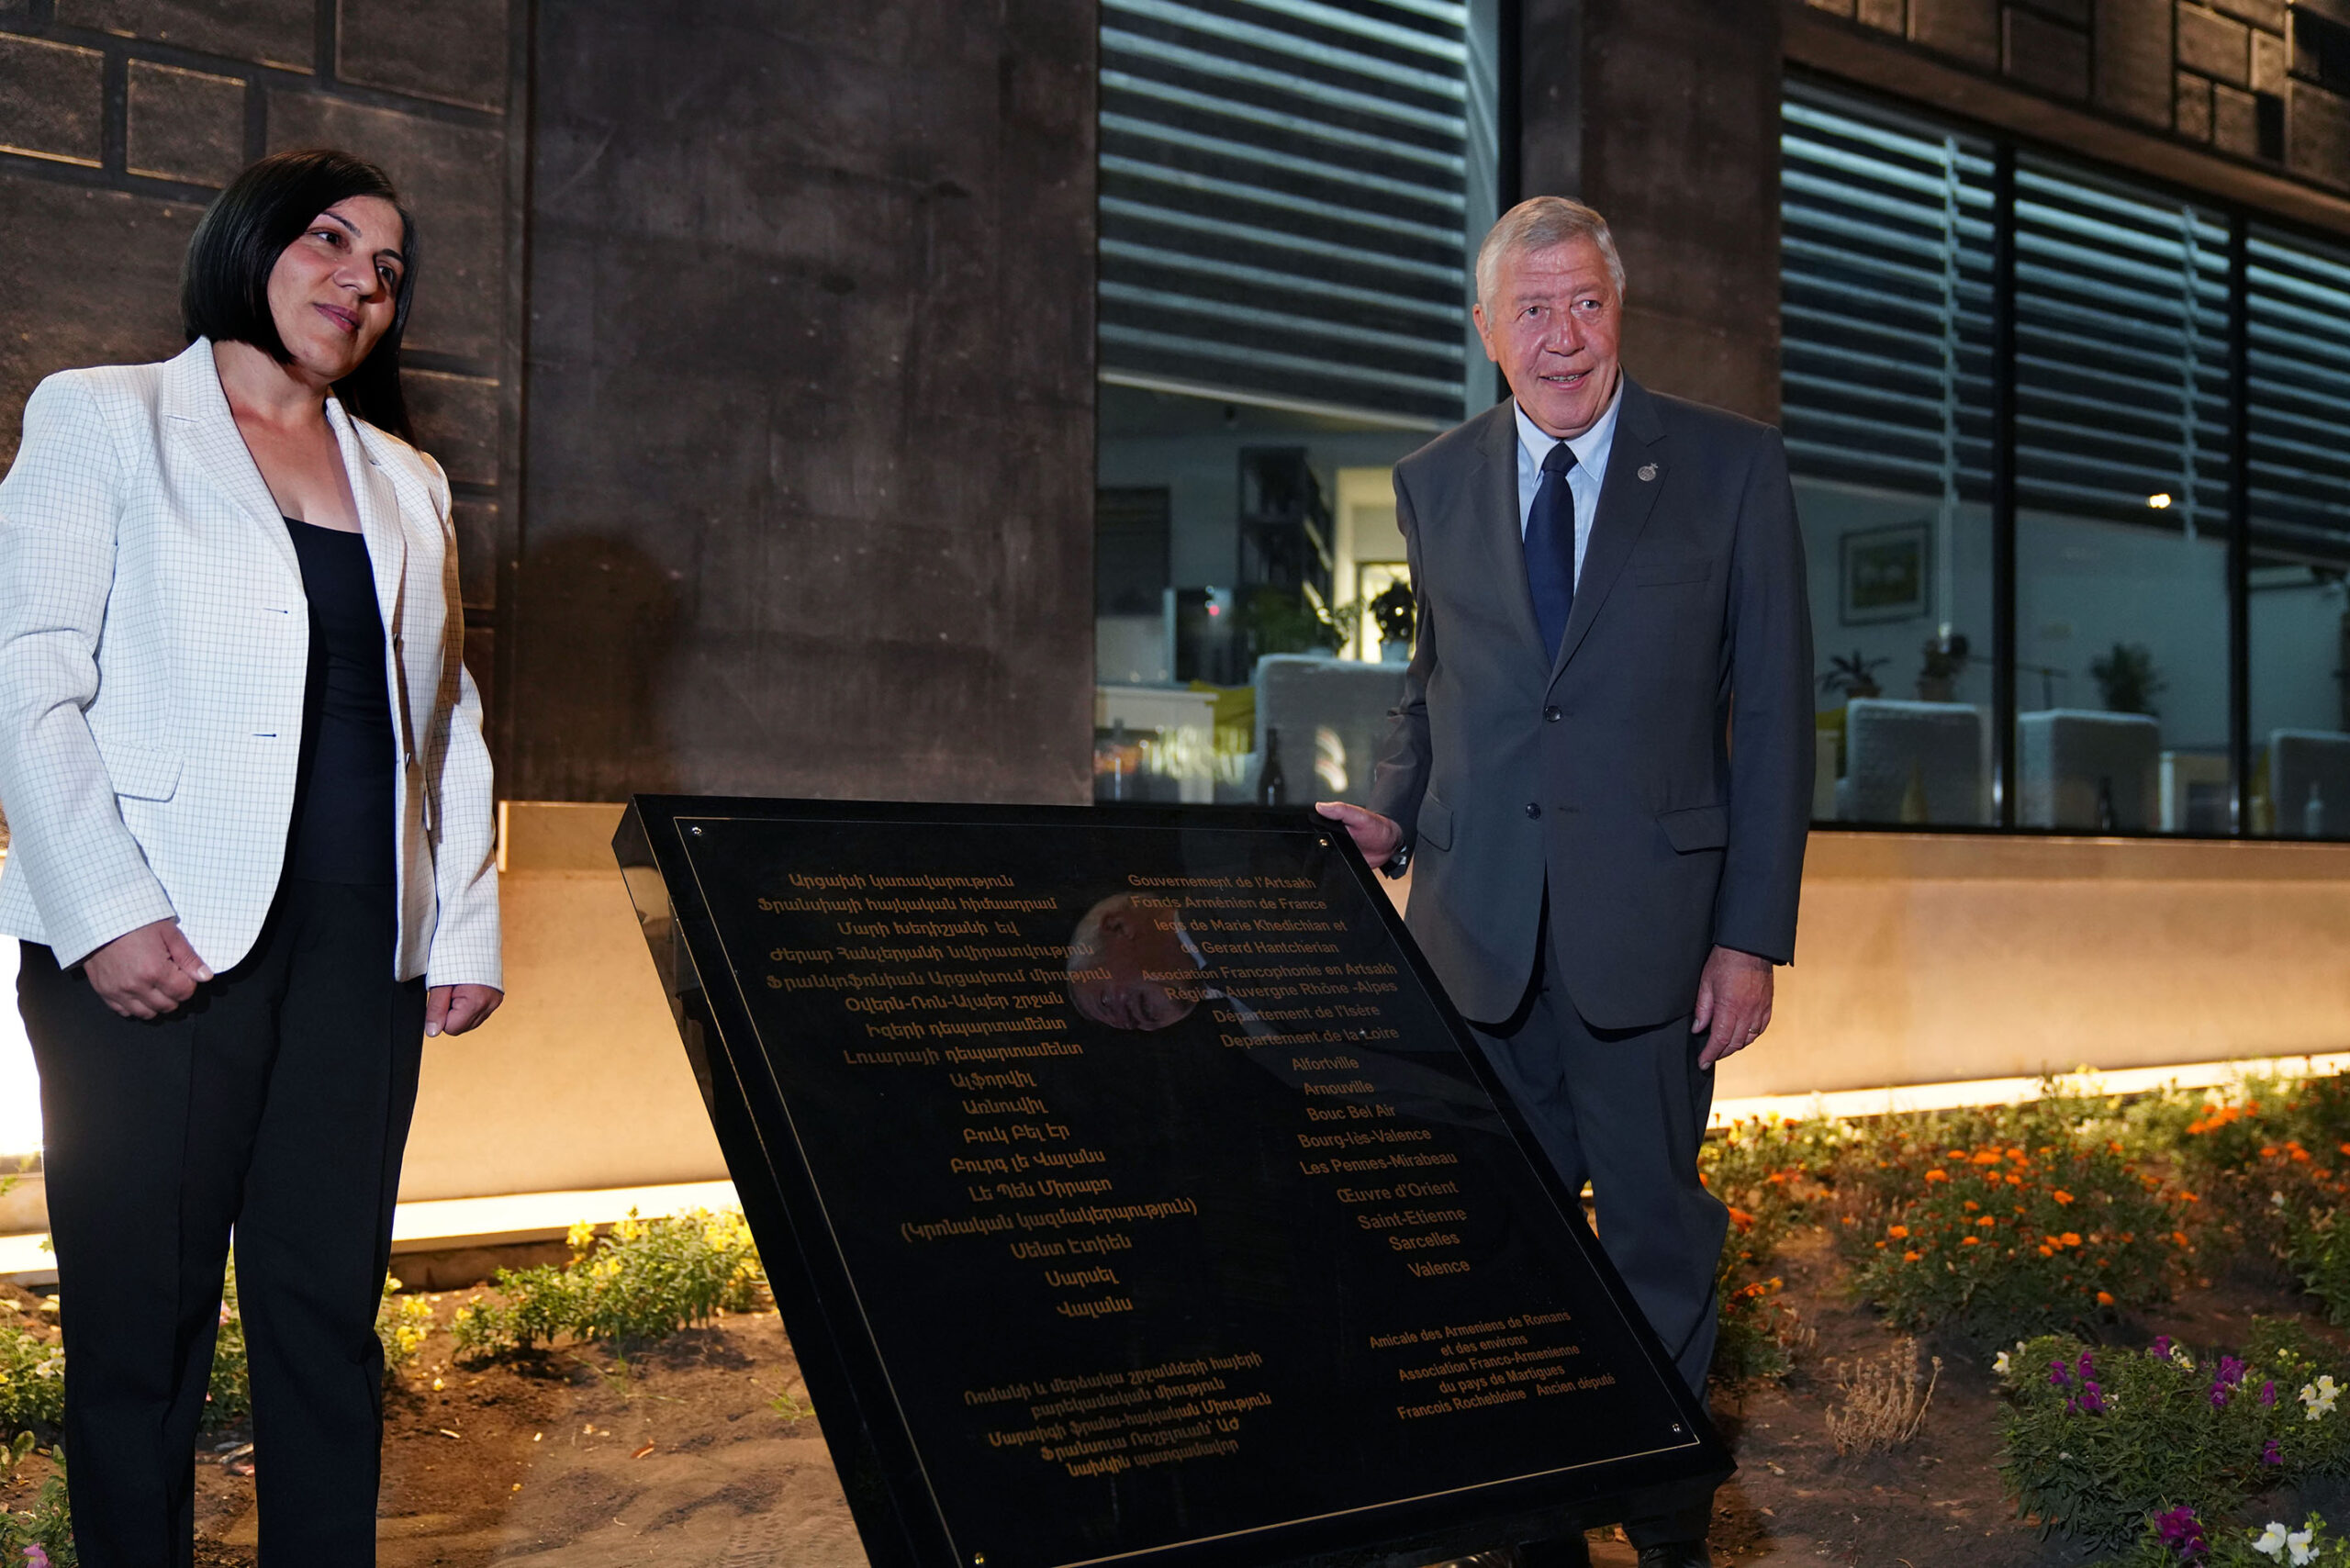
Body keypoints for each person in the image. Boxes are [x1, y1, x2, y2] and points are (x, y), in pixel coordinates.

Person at [0, 148, 502, 1565]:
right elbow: (25, 671)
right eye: (332, 241)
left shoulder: (407, 478)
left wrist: (457, 927)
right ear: (249, 245)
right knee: (136, 1331)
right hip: (157, 949)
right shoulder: (106, 416)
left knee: (325, 1315)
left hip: (359, 956)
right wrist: (103, 912)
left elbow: (448, 711)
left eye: (389, 270)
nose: (362, 280)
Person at [1317, 196, 1812, 1568]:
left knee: (1656, 1255)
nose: (1562, 335)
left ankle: (1666, 1537)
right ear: (1486, 332)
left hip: (1655, 947)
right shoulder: (1434, 480)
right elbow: (1440, 692)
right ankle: (1538, 1536)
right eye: (1530, 309)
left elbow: (1770, 719)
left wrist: (1748, 938)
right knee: (1497, 1256)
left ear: (1620, 310)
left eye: (1585, 302)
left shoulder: (1730, 470)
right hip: (1476, 940)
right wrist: (1393, 814)